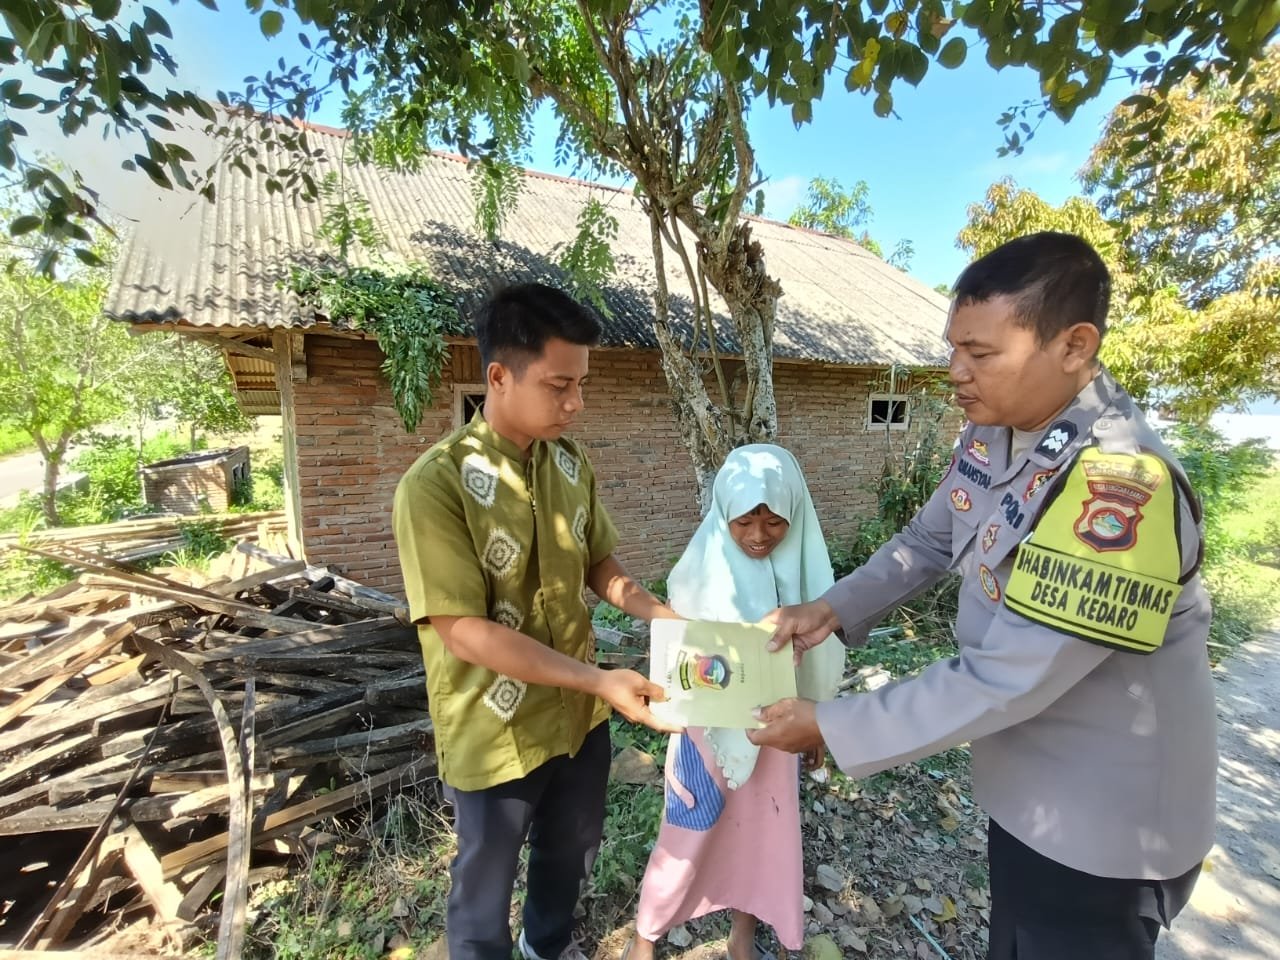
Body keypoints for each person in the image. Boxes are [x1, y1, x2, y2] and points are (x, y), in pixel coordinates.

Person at [750, 233, 1216, 960]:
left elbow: (1008, 674)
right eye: (953, 349)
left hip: (1101, 829)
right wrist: (833, 607)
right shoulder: (998, 434)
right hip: (1029, 798)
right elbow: (930, 542)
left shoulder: (1121, 487)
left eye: (981, 353)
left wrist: (833, 726)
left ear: (1073, 344)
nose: (956, 372)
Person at [392, 282, 681, 960]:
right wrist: (598, 679)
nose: (575, 403)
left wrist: (662, 614)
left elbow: (599, 567)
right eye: (559, 386)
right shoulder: (434, 486)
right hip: (495, 730)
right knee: (483, 885)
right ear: (499, 375)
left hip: (580, 722)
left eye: (579, 385)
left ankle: (545, 947)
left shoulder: (570, 464)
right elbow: (463, 630)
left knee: (572, 853)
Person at [627, 445, 845, 960]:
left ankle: (742, 931)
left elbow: (821, 655)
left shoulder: (810, 584)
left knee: (762, 833)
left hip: (779, 730)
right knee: (687, 830)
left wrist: (817, 723)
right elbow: (677, 661)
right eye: (744, 520)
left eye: (774, 523)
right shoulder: (696, 575)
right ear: (723, 514)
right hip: (705, 736)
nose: (757, 536)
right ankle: (647, 935)